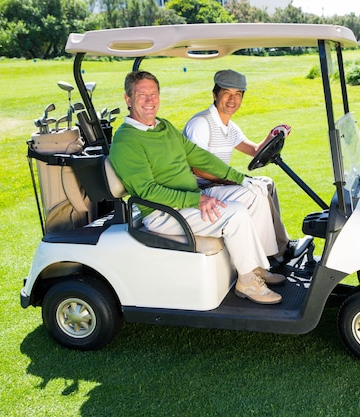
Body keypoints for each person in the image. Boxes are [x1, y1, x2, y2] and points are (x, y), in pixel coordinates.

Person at [109, 70, 284, 305]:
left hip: (189, 197)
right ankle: (247, 281)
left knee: (255, 193)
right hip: (163, 212)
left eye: (154, 94)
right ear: (128, 99)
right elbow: (147, 192)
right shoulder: (126, 141)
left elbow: (198, 156)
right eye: (142, 95)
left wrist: (240, 178)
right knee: (236, 214)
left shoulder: (163, 127)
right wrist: (196, 201)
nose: (150, 100)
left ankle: (256, 266)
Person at [183, 69, 295, 267]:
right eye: (227, 93)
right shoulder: (201, 124)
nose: (232, 99)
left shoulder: (229, 126)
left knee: (267, 183)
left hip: (217, 184)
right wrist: (234, 180)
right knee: (256, 192)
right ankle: (266, 257)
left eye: (238, 94)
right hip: (200, 190)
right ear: (215, 94)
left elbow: (253, 150)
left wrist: (273, 136)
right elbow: (197, 170)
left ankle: (281, 244)